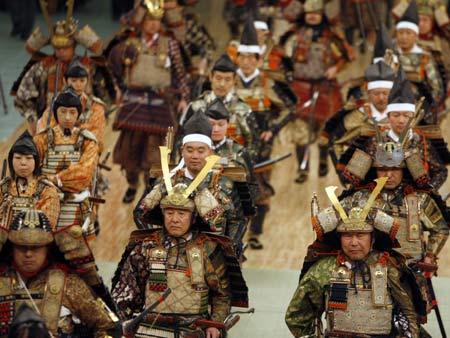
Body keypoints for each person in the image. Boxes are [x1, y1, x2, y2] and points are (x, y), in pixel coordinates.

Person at [112, 161, 248, 338]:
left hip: (193, 330)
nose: (174, 219)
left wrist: (215, 324)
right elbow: (127, 291)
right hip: (148, 329)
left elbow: (222, 295)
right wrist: (122, 323)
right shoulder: (146, 246)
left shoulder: (208, 248)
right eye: (169, 213)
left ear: (193, 218)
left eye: (181, 214)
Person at [285, 178, 420, 337]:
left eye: (361, 235)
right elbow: (296, 316)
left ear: (373, 239)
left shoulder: (389, 267)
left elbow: (409, 313)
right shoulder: (324, 269)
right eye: (347, 235)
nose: (354, 242)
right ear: (339, 238)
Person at [107, 0, 190, 203]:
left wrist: (184, 97)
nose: (153, 24)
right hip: (134, 103)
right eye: (149, 20)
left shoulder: (168, 43)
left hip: (160, 104)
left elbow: (180, 71)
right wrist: (116, 90)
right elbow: (113, 68)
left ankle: (148, 188)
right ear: (142, 21)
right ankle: (132, 183)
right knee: (130, 153)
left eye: (156, 20)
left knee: (154, 155)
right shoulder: (129, 43)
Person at [135, 112, 247, 256]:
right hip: (168, 249)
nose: (194, 156)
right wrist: (154, 239)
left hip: (209, 252)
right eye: (190, 150)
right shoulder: (167, 181)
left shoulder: (222, 183)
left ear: (210, 152)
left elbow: (235, 221)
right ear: (182, 151)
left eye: (201, 151)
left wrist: (225, 248)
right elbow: (140, 212)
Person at [0, 209, 118, 338]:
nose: (28, 254)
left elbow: (106, 327)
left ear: (47, 248)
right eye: (22, 247)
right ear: (12, 248)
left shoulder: (70, 284)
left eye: (36, 247)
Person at [281, 0, 354, 183]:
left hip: (325, 87)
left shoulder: (331, 36)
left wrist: (335, 69)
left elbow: (347, 56)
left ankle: (322, 160)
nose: (312, 16)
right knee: (300, 131)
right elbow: (281, 54)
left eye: (316, 13)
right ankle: (302, 168)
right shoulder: (295, 35)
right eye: (309, 13)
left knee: (324, 128)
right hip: (300, 87)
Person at [11, 1, 110, 135]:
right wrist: (32, 119)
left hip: (82, 129)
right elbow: (23, 96)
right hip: (48, 128)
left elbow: (103, 95)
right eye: (57, 48)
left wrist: (96, 123)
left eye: (65, 47)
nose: (61, 51)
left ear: (74, 46)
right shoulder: (43, 67)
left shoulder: (88, 67)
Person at [339, 71, 449, 189]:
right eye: (396, 115)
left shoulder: (422, 142)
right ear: (388, 116)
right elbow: (355, 178)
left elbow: (441, 172)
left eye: (406, 115)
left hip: (413, 202)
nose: (401, 120)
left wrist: (426, 193)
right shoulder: (374, 140)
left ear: (413, 117)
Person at [320, 61, 395, 174]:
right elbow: (336, 142)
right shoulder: (356, 116)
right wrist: (345, 174)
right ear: (368, 92)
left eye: (385, 93)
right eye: (376, 93)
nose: (381, 98)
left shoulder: (404, 115)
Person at [182, 53, 258, 160]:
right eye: (218, 78)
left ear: (234, 80)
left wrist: (243, 164)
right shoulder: (196, 106)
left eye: (227, 80)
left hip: (233, 165)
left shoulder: (243, 109)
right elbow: (182, 139)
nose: (222, 84)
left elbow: (253, 143)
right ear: (211, 77)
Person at [0, 131, 60, 236]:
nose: (23, 163)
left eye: (28, 158)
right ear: (11, 160)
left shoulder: (47, 190)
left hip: (36, 244)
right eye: (18, 158)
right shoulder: (2, 188)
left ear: (36, 161)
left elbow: (47, 224)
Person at [394, 0, 444, 122]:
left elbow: (437, 90)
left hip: (419, 112)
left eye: (408, 33)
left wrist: (426, 107)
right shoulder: (390, 55)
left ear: (415, 36)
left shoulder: (425, 58)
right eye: (401, 33)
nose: (404, 37)